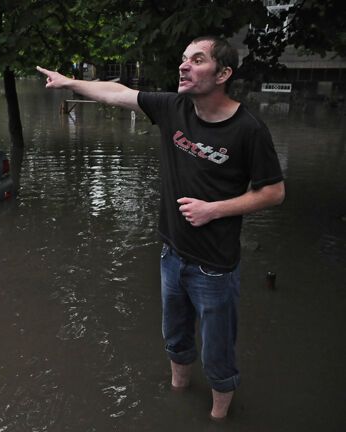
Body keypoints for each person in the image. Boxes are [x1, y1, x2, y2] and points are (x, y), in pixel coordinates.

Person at [37, 36, 285, 420]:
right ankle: (177, 397)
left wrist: (214, 210)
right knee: (175, 340)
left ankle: (218, 419)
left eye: (196, 60)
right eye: (183, 58)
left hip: (215, 267)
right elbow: (116, 93)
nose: (184, 66)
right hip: (171, 255)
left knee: (217, 355)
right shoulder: (174, 107)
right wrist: (70, 83)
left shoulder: (248, 129)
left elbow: (273, 192)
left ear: (223, 73)